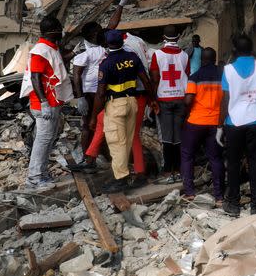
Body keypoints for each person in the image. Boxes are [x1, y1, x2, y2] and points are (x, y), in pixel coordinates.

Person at [91, 30, 157, 193]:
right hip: (132, 102)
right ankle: (125, 174)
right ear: (122, 42)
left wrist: (94, 116)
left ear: (107, 44)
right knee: (128, 139)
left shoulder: (106, 63)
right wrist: (152, 99)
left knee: (116, 143)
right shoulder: (132, 58)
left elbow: (100, 93)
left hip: (116, 105)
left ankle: (121, 179)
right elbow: (146, 80)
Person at [20, 16, 74, 189]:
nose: (62, 31)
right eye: (60, 28)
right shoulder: (40, 50)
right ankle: (34, 178)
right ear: (54, 30)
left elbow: (55, 66)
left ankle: (41, 173)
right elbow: (35, 77)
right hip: (44, 103)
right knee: (43, 140)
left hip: (52, 102)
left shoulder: (51, 48)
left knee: (48, 139)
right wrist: (43, 102)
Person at [219, 35, 256, 216]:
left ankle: (233, 204)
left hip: (233, 123)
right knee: (255, 163)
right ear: (252, 49)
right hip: (255, 122)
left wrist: (219, 126)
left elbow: (225, 100)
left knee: (233, 164)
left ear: (235, 51)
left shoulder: (228, 70)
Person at [181, 47, 224, 205]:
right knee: (216, 158)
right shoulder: (223, 76)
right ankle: (219, 196)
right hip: (216, 123)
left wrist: (186, 114)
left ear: (201, 60)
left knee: (187, 155)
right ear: (214, 58)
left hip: (196, 122)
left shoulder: (195, 76)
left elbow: (188, 100)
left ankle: (190, 192)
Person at [150, 25, 189, 183]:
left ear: (163, 37)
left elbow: (154, 78)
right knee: (178, 137)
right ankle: (179, 170)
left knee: (166, 137)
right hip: (181, 98)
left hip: (163, 99)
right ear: (179, 37)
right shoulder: (185, 55)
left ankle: (167, 172)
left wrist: (152, 100)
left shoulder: (157, 55)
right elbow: (187, 76)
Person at [71, 22, 106, 156]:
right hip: (95, 92)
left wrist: (80, 97)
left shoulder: (93, 50)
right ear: (96, 35)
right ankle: (91, 156)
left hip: (95, 92)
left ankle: (91, 156)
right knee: (93, 125)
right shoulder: (88, 51)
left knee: (92, 125)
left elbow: (76, 76)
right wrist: (80, 98)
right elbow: (76, 76)